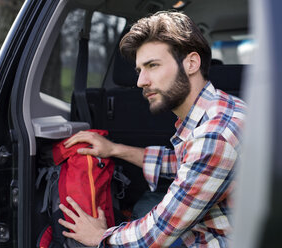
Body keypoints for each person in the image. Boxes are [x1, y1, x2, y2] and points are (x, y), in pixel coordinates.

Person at [58, 10, 246, 247]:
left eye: (153, 65)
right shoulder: (221, 108)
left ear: (191, 63)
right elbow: (182, 162)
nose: (140, 81)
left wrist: (99, 237)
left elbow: (155, 235)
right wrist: (114, 149)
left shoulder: (214, 135)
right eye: (139, 70)